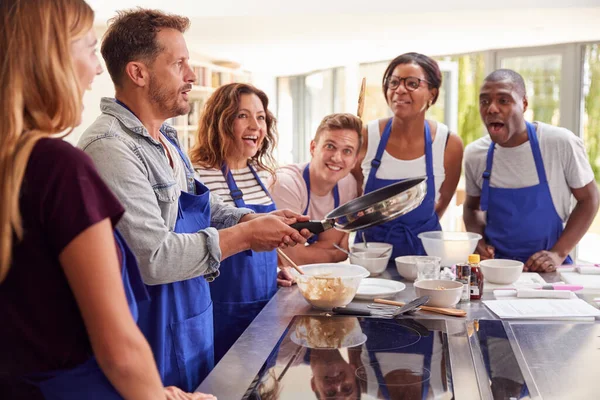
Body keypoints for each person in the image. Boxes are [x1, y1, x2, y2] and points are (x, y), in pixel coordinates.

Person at [77, 9, 308, 392]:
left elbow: (208, 208)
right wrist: (248, 237)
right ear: (138, 73)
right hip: (153, 336)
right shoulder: (110, 148)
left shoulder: (166, 139)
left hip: (192, 322)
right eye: (179, 64)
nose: (192, 76)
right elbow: (154, 257)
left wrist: (251, 219)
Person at [0, 1, 212, 399]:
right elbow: (119, 349)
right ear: (49, 59)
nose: (97, 69)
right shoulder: (59, 167)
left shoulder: (16, 166)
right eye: (88, 49)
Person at [463, 68, 599, 271]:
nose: (491, 109)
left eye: (503, 100)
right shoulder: (476, 154)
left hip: (549, 271)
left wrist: (558, 253)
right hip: (496, 270)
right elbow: (471, 208)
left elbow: (589, 200)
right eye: (484, 101)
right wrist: (478, 241)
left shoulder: (559, 143)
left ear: (524, 104)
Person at [190, 83, 283, 364]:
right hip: (220, 313)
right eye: (242, 116)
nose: (255, 125)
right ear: (220, 121)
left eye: (261, 117)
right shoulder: (197, 177)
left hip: (266, 307)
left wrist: (276, 271)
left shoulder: (261, 175)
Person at [351, 52, 463, 260]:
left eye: (412, 83)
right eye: (393, 83)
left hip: (423, 256)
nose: (399, 90)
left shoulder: (448, 143)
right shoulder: (367, 136)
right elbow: (355, 192)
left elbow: (443, 200)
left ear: (432, 93)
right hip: (371, 255)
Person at [268, 113, 362, 271]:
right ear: (313, 147)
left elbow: (329, 244)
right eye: (330, 146)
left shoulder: (347, 184)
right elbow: (291, 258)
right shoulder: (286, 184)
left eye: (347, 151)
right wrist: (338, 255)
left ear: (354, 160)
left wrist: (315, 252)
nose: (337, 158)